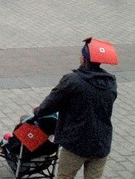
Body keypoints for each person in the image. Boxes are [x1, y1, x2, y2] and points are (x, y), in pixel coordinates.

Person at [33, 38, 118, 179]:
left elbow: (51, 103)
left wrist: (37, 110)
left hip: (76, 143)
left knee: (65, 176)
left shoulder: (72, 81)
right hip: (101, 143)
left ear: (83, 59)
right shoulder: (111, 82)